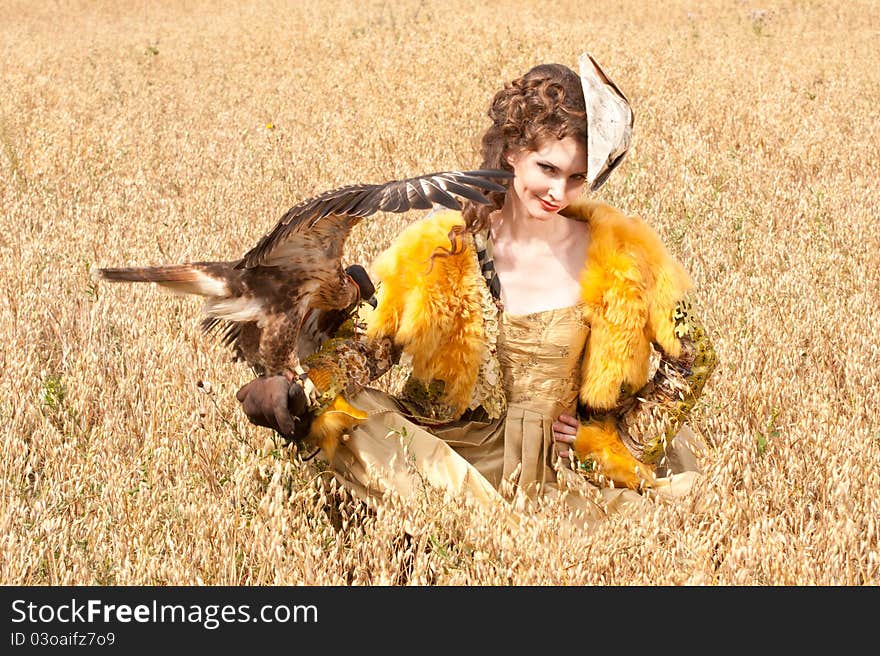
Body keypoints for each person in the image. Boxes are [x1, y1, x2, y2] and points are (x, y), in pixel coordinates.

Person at [236, 52, 716, 528]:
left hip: (560, 468)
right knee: (351, 416)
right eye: (547, 169)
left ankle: (493, 534)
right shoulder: (446, 247)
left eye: (576, 178)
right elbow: (371, 345)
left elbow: (695, 354)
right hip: (454, 451)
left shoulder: (619, 255)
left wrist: (614, 437)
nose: (559, 193)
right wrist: (300, 392)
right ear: (512, 151)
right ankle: (470, 521)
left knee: (608, 531)